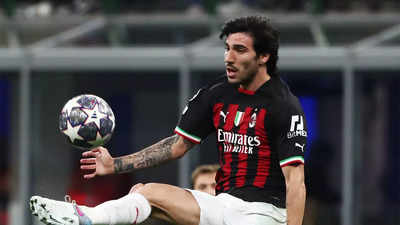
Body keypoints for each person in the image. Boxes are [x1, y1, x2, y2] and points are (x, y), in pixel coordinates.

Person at [29, 16, 307, 225]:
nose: (228, 58)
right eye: (226, 48)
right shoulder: (217, 94)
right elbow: (176, 146)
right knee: (146, 192)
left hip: (264, 214)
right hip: (224, 206)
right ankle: (85, 217)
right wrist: (115, 164)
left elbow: (295, 181)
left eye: (239, 50)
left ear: (264, 56)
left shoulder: (284, 106)